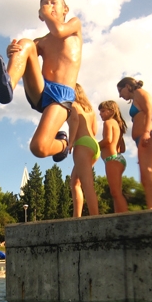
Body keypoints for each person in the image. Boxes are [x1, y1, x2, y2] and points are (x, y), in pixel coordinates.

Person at [0, 0, 82, 162]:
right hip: (41, 89)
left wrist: (47, 14)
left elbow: (59, 31)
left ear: (65, 9)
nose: (48, 6)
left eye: (53, 2)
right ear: (40, 16)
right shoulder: (41, 42)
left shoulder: (74, 25)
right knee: (26, 43)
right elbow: (23, 55)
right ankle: (7, 84)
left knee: (38, 147)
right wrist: (12, 51)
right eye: (45, 3)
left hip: (61, 96)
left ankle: (62, 144)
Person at [117, 77, 152, 209]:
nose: (120, 95)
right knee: (145, 178)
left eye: (120, 91)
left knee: (149, 173)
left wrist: (146, 132)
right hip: (141, 139)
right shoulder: (136, 97)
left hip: (148, 135)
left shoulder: (141, 93)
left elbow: (149, 110)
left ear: (127, 86)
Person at [69, 84, 99, 217]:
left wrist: (70, 142)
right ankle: (77, 217)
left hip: (82, 144)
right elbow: (94, 130)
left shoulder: (72, 105)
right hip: (93, 144)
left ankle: (95, 218)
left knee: (87, 184)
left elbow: (75, 120)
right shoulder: (90, 109)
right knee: (75, 182)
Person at [98, 100, 128, 213]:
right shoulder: (118, 125)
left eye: (103, 111)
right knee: (116, 192)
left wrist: (94, 146)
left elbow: (108, 140)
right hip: (119, 159)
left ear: (111, 111)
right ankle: (119, 215)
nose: (100, 114)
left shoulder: (108, 122)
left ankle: (124, 217)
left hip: (112, 159)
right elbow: (122, 149)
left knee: (115, 192)